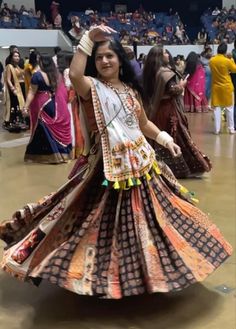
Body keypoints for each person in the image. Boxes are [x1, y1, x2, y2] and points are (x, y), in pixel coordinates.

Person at [0, 26, 232, 299]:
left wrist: (165, 139)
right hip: (106, 170)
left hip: (142, 167)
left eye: (110, 56)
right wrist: (88, 38)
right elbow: (75, 74)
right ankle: (103, 278)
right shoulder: (92, 87)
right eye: (99, 58)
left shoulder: (131, 92)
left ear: (120, 60)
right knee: (99, 223)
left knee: (151, 222)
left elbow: (142, 123)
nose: (105, 61)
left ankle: (147, 274)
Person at [142, 45, 212, 178]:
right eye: (165, 53)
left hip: (156, 111)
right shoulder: (165, 73)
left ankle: (158, 166)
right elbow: (173, 90)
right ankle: (179, 169)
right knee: (177, 136)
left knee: (158, 137)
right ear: (160, 57)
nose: (168, 55)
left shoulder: (150, 71)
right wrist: (181, 86)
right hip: (169, 110)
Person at [23, 54, 72, 163]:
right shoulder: (56, 75)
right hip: (53, 104)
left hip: (41, 105)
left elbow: (32, 92)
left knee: (43, 131)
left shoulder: (37, 75)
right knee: (52, 130)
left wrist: (25, 107)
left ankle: (48, 156)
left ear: (41, 62)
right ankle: (63, 155)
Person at [209, 42, 236, 134]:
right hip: (227, 87)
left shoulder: (211, 60)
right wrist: (231, 59)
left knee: (217, 108)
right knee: (229, 108)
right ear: (225, 51)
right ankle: (231, 129)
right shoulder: (227, 61)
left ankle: (217, 130)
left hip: (216, 87)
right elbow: (234, 69)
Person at [3, 50, 27, 132]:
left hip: (21, 87)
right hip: (15, 88)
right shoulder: (10, 66)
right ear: (11, 58)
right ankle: (12, 122)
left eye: (18, 56)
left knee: (20, 105)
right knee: (14, 105)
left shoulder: (18, 66)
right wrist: (13, 89)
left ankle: (19, 121)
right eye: (15, 56)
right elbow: (8, 80)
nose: (17, 58)